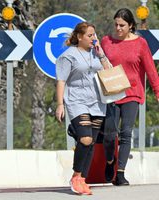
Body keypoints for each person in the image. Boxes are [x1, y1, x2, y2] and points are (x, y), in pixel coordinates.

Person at [101, 8, 159, 186]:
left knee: (126, 133)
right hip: (111, 93)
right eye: (116, 24)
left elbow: (150, 70)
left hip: (132, 92)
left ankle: (120, 173)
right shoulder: (106, 41)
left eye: (122, 25)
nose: (118, 28)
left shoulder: (140, 44)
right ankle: (110, 161)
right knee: (110, 134)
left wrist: (158, 92)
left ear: (131, 25)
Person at [55, 22, 109, 195]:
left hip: (97, 102)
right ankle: (76, 176)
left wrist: (101, 54)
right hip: (77, 101)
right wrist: (60, 104)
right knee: (85, 139)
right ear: (79, 37)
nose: (94, 38)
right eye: (90, 35)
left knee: (91, 142)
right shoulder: (68, 56)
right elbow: (61, 80)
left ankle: (83, 179)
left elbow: (109, 71)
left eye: (94, 35)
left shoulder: (96, 53)